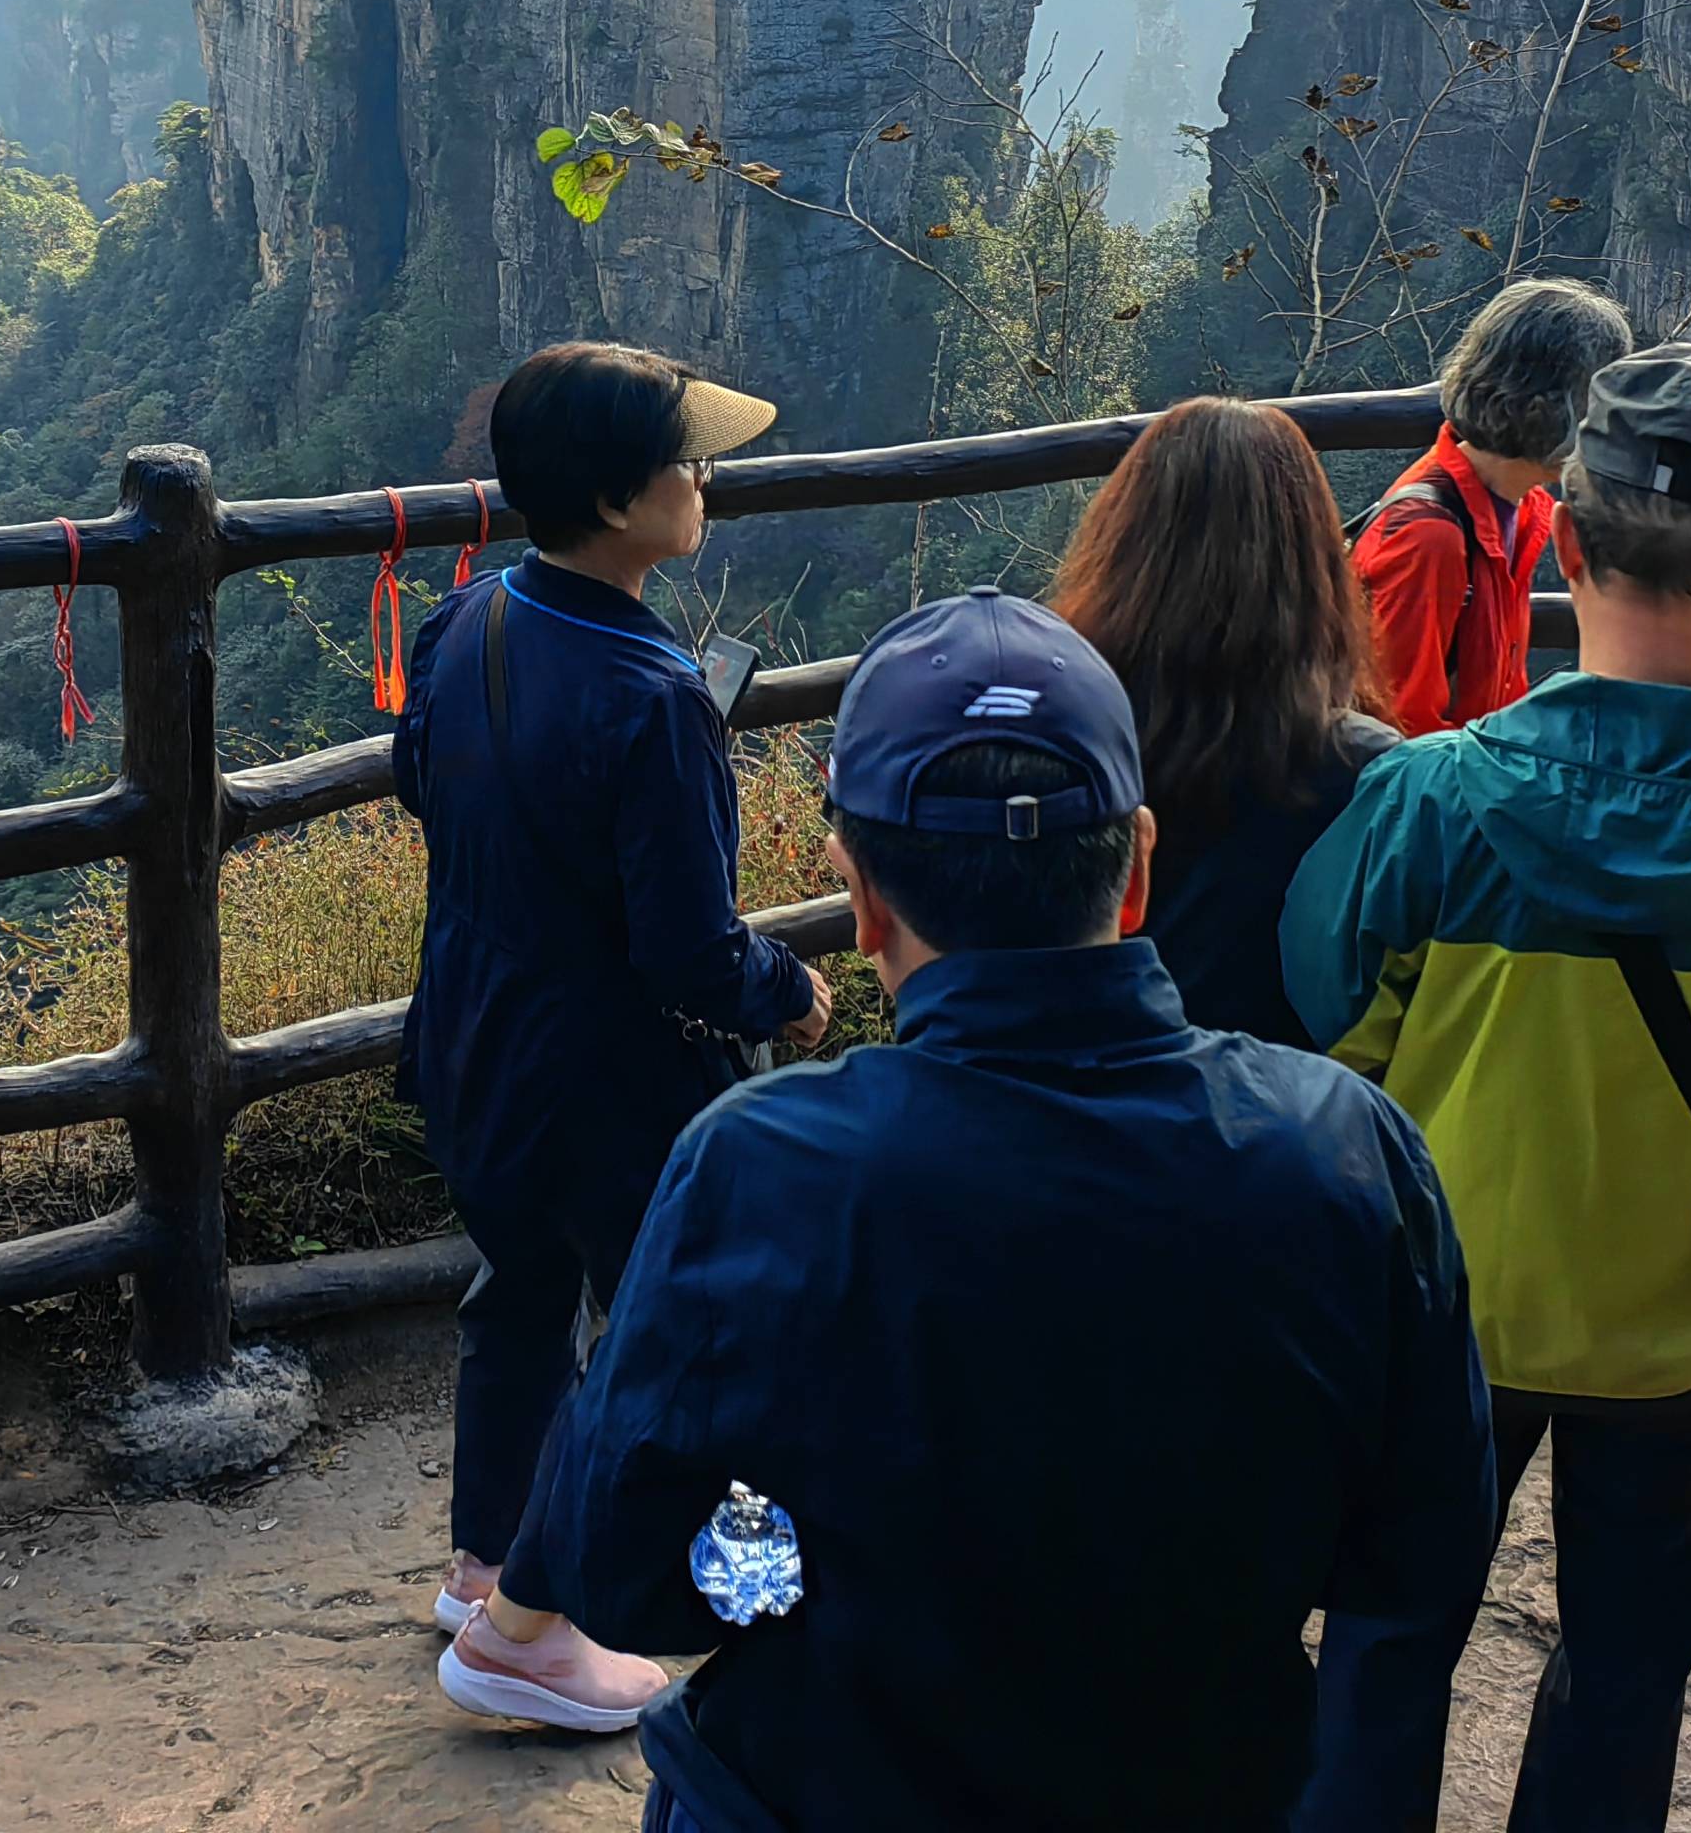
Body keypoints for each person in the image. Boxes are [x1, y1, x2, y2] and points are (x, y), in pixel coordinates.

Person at [491, 590, 1499, 1830]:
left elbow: (630, 1577)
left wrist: (785, 1562)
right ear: (1136, 865)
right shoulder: (1346, 1149)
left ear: (859, 900)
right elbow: (1418, 1561)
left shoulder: (759, 1170)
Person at [1283, 341, 1691, 1833]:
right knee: (1629, 1669)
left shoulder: (1429, 803)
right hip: (1689, 1334)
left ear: (1565, 545)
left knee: (1388, 1643)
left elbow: (1330, 1032)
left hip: (1447, 1316)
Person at [401, 342, 830, 1734]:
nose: (704, 479)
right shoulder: (657, 701)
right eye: (684, 460)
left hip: (470, 1032)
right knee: (675, 1331)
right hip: (605, 1072)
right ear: (614, 494)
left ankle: (482, 1571)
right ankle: (580, 1619)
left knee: (517, 1296)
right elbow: (690, 956)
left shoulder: (462, 626)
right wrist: (793, 992)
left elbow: (430, 795)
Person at [1047, 397, 1400, 1045]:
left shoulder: (1070, 731)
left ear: (1123, 546)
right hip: (1293, 1115)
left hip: (1088, 1097)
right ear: (1314, 563)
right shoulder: (1366, 776)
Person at [1355, 276, 1634, 736]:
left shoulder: (1520, 507)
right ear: (1543, 405)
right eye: (1600, 400)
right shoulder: (1428, 537)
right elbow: (1398, 729)